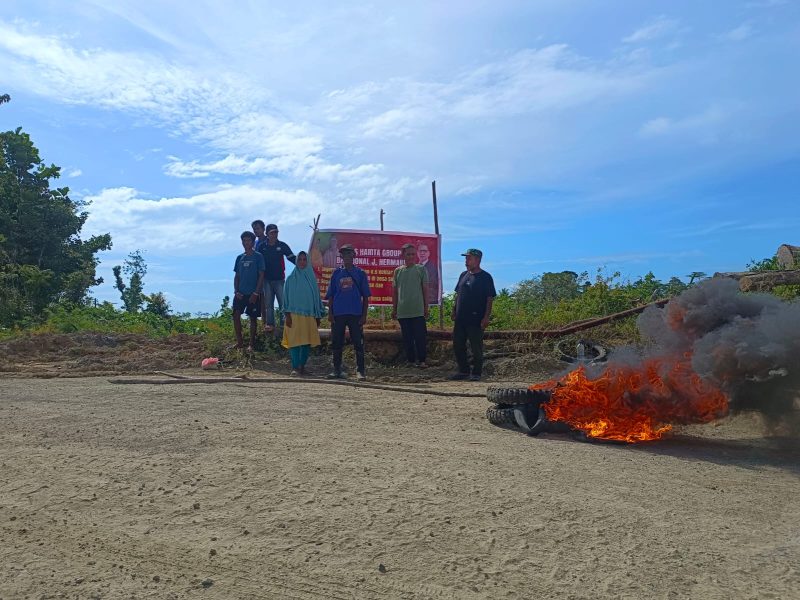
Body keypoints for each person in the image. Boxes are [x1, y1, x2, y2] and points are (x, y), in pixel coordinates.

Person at [325, 244, 371, 380]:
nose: (347, 257)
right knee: (337, 343)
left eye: (349, 254)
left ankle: (360, 371)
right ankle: (337, 370)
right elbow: (331, 295)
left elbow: (366, 296)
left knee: (358, 343)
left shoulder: (360, 273)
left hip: (355, 313)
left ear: (354, 256)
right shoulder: (336, 273)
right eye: (344, 254)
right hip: (338, 313)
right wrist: (330, 313)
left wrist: (364, 315)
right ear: (341, 257)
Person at [451, 248, 496, 381]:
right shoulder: (463, 275)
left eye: (469, 258)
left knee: (476, 346)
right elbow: (458, 294)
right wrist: (454, 310)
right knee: (458, 344)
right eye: (466, 258)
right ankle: (463, 371)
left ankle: (476, 373)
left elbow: (489, 298)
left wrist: (486, 317)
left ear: (477, 260)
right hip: (461, 318)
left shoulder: (485, 277)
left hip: (476, 318)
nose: (466, 261)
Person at [281, 251, 323, 376]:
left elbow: (316, 298)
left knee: (306, 342)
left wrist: (318, 315)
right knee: (294, 342)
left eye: (305, 259)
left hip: (309, 315)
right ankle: (295, 367)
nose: (302, 262)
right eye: (300, 259)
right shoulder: (290, 279)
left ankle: (302, 367)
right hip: (293, 315)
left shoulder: (311, 279)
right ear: (296, 261)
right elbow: (285, 298)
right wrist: (287, 315)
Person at [392, 243, 429, 368]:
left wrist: (426, 307)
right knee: (407, 338)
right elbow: (395, 291)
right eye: (408, 254)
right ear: (403, 255)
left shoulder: (421, 269)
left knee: (420, 337)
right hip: (403, 311)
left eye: (413, 254)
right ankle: (411, 361)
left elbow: (425, 289)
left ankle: (422, 361)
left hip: (418, 310)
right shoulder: (397, 271)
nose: (411, 256)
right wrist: (394, 308)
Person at [257, 223, 296, 333]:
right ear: (267, 234)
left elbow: (292, 257)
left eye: (276, 232)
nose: (274, 234)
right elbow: (257, 262)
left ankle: (284, 326)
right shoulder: (262, 246)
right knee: (268, 304)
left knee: (283, 303)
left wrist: (305, 264)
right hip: (266, 280)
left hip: (279, 279)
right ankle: (270, 325)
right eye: (272, 233)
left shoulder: (282, 245)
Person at [232, 231, 265, 351]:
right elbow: (237, 276)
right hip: (240, 293)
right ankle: (239, 342)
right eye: (244, 241)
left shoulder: (258, 256)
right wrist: (236, 291)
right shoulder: (239, 258)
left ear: (253, 241)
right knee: (235, 315)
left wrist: (256, 293)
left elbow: (261, 275)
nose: (246, 243)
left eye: (248, 240)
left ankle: (251, 344)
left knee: (252, 318)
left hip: (253, 294)